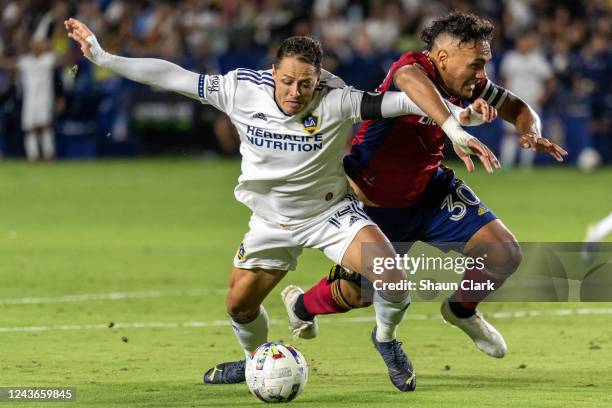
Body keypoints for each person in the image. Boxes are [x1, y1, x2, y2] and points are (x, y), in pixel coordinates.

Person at [64, 17, 498, 392]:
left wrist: (459, 117)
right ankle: (256, 363)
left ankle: (386, 340)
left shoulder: (337, 98)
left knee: (394, 278)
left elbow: (400, 102)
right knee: (239, 306)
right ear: (272, 72)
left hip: (330, 214)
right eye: (287, 81)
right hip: (270, 221)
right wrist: (104, 58)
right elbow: (171, 76)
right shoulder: (239, 89)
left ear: (318, 79)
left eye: (305, 84)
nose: (295, 92)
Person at [280, 11, 568, 366]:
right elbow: (410, 81)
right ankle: (300, 305)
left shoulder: (472, 85)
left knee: (504, 254)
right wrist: (455, 127)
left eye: (485, 65)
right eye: (476, 64)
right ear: (442, 57)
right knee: (357, 295)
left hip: (429, 191)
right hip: (373, 202)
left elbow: (518, 107)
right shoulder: (412, 68)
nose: (482, 75)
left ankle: (461, 311)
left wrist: (530, 131)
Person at [499, 29, 555, 168]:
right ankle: (506, 164)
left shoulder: (538, 60)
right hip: (513, 102)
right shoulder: (510, 58)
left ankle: (526, 166)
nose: (523, 43)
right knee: (510, 133)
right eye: (521, 41)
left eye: (526, 41)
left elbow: (550, 80)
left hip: (532, 102)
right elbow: (503, 79)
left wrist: (543, 97)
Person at [0, 38, 63, 161]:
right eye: (34, 45)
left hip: (45, 99)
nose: (36, 47)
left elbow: (67, 61)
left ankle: (48, 154)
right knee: (29, 128)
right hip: (30, 100)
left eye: (39, 44)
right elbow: (8, 64)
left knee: (45, 126)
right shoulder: (26, 61)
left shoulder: (48, 59)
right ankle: (32, 155)